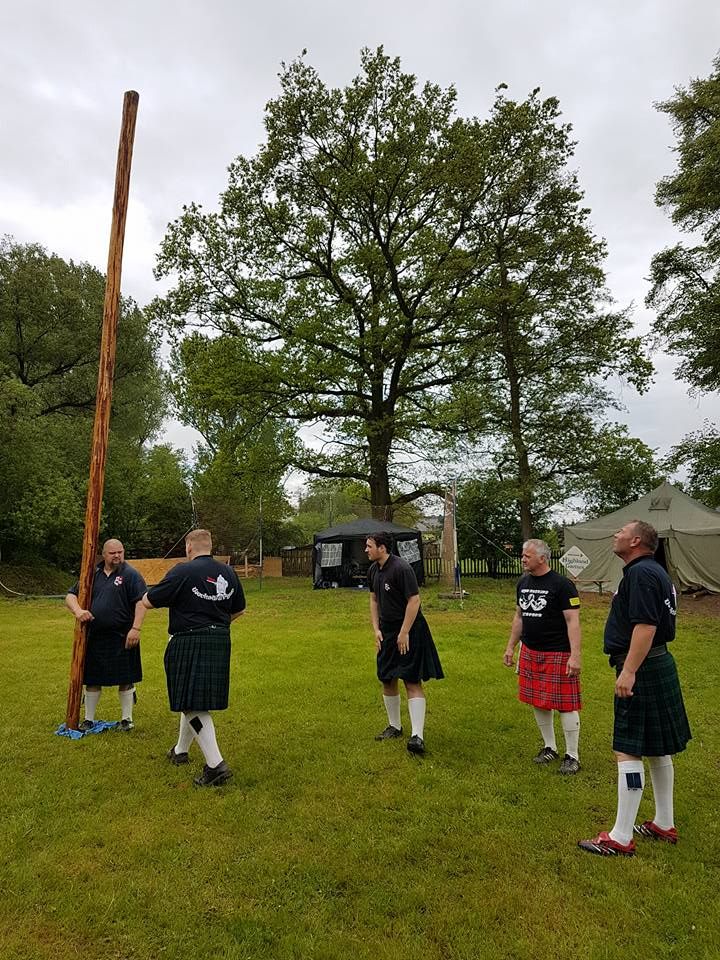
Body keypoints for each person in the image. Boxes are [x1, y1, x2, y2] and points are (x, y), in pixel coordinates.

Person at [578, 520, 691, 857]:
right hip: (657, 663)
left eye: (621, 532)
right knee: (658, 747)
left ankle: (621, 836)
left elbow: (646, 625)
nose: (616, 535)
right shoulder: (654, 572)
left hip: (642, 665)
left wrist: (628, 671)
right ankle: (664, 822)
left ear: (637, 540)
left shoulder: (641, 574)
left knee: (628, 748)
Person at [142, 529, 246, 787]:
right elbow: (240, 609)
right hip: (220, 639)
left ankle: (216, 766)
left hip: (188, 639)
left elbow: (149, 601)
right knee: (191, 697)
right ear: (210, 547)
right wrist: (216, 623)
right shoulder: (229, 572)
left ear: (189, 547)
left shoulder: (182, 571)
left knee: (191, 702)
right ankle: (180, 751)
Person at [503, 539, 582, 775]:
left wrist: (575, 655)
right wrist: (511, 647)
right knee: (537, 700)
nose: (523, 559)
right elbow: (519, 617)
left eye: (527, 556)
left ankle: (572, 755)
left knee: (566, 705)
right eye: (522, 555)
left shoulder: (562, 585)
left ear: (542, 558)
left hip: (558, 651)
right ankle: (550, 747)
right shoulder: (523, 582)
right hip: (531, 650)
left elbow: (573, 621)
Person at [365, 532, 444, 755]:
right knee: (387, 678)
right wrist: (376, 629)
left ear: (382, 548)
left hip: (409, 630)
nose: (366, 550)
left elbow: (414, 600)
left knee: (411, 680)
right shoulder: (373, 570)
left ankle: (417, 736)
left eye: (369, 546)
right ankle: (395, 726)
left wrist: (404, 632)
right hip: (387, 631)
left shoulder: (401, 568)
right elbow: (373, 599)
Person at [65, 538, 147, 731]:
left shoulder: (131, 574)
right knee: (92, 679)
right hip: (94, 635)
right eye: (113, 553)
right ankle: (88, 719)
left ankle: (127, 719)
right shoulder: (91, 574)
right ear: (104, 554)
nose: (117, 555)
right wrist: (78, 611)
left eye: (120, 552)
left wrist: (135, 629)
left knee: (126, 678)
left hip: (122, 635)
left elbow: (140, 602)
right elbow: (70, 595)